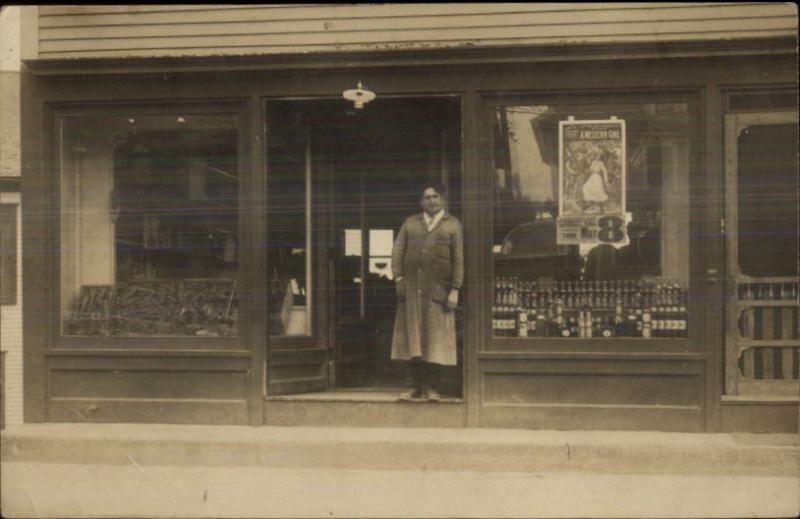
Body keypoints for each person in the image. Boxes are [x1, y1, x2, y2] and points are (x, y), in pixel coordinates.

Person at [391, 182, 464, 401]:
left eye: (435, 197)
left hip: (438, 292)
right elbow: (398, 251)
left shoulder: (452, 225)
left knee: (435, 341)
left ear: (442, 200)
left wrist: (455, 289)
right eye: (427, 197)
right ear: (421, 201)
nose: (431, 201)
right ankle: (414, 386)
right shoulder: (410, 223)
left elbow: (458, 260)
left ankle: (432, 388)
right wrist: (399, 278)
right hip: (412, 291)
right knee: (412, 340)